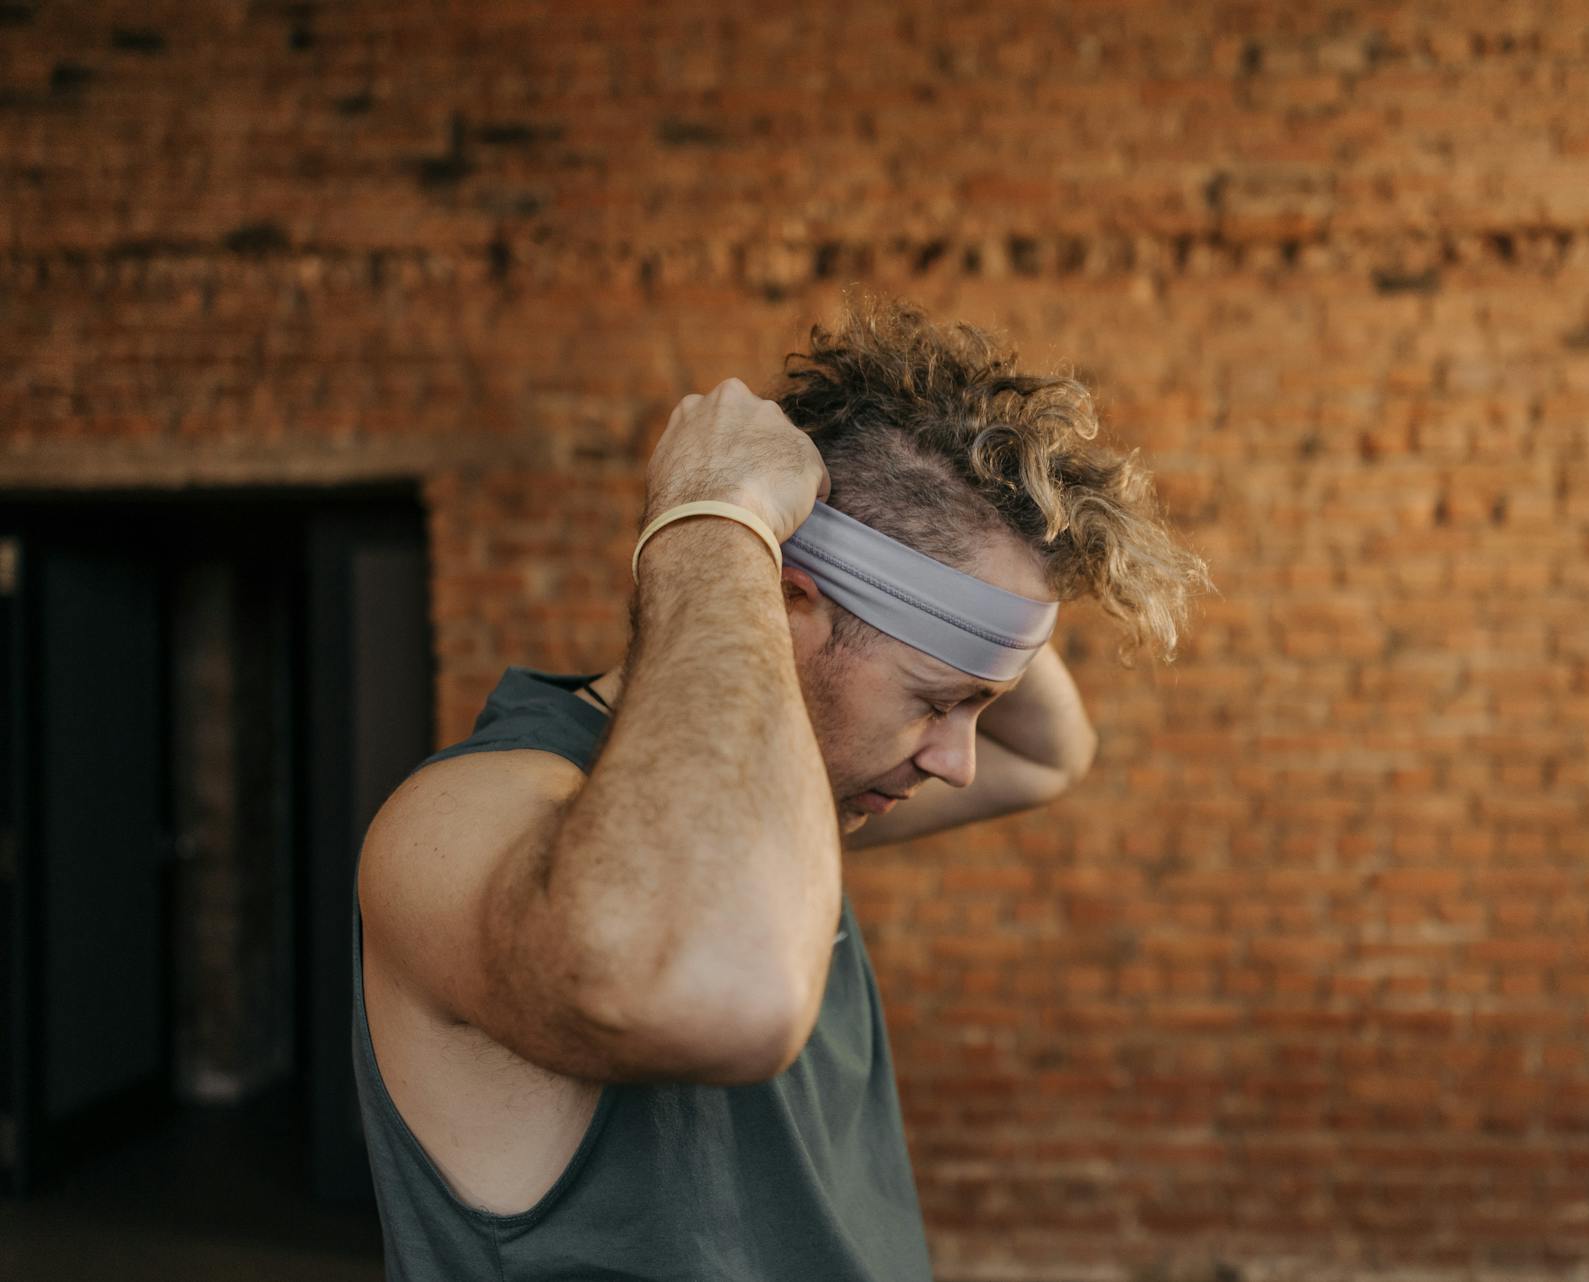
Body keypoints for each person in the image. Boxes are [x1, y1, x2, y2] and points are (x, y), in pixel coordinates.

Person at [350, 290, 1214, 1280]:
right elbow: (728, 988)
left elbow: (1050, 753)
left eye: (977, 707)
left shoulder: (792, 799)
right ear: (781, 598)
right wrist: (712, 520)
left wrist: (974, 551)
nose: (959, 761)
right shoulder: (460, 819)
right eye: (937, 702)